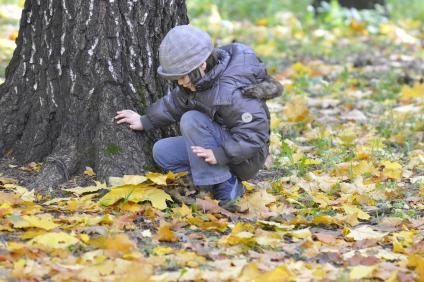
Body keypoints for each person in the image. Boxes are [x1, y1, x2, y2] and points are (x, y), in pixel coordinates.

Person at [115, 25, 282, 204]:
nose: (180, 83)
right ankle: (207, 181)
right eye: (176, 78)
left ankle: (227, 184)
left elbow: (254, 135)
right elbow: (174, 103)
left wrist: (221, 154)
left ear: (202, 64)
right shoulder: (199, 82)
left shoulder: (233, 91)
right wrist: (145, 120)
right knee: (162, 152)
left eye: (183, 77)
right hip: (219, 146)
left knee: (191, 119)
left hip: (245, 157)